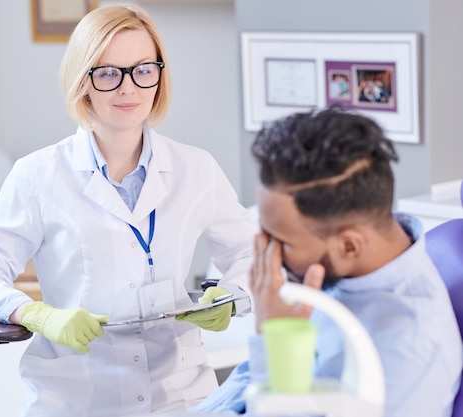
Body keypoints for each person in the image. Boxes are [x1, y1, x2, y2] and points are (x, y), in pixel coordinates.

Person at [0, 4, 256, 417]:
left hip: (181, 396)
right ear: (82, 82)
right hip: (78, 398)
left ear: (159, 75)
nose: (129, 89)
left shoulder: (197, 169)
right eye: (107, 73)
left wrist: (232, 296)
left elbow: (255, 255)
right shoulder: (37, 175)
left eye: (143, 69)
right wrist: (34, 314)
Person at [194, 106, 463, 416]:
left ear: (349, 245)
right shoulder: (342, 270)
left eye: (282, 242)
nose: (268, 254)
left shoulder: (406, 351)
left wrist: (275, 343)